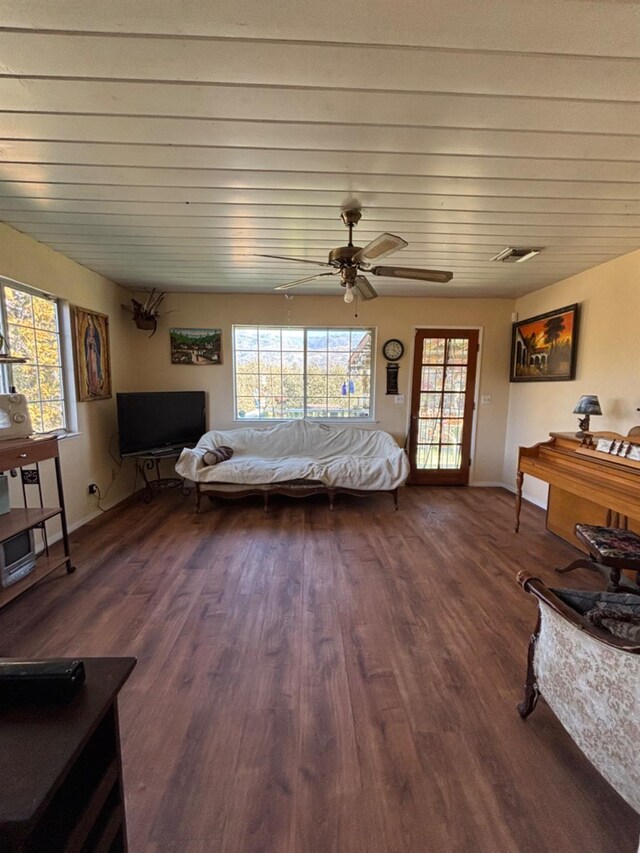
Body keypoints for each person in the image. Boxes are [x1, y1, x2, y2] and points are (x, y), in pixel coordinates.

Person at [84, 316, 103, 396]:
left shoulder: (94, 331)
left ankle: (96, 386)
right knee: (91, 369)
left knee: (95, 369)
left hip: (94, 353)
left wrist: (94, 343)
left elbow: (97, 343)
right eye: (87, 319)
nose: (89, 321)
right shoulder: (88, 330)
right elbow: (86, 341)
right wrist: (89, 342)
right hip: (90, 352)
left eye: (89, 319)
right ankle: (92, 387)